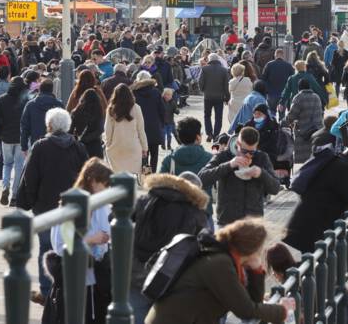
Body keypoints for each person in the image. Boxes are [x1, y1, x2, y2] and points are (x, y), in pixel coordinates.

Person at [146, 218, 292, 324]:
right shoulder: (220, 263)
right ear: (251, 248)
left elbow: (253, 301)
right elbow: (245, 310)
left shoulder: (226, 259)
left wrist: (256, 270)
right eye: (260, 248)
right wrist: (282, 311)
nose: (261, 253)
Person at [17, 108, 89, 304]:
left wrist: (31, 201)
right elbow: (86, 175)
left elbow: (30, 178)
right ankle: (69, 287)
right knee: (70, 245)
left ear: (48, 125)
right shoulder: (78, 147)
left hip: (45, 207)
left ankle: (48, 290)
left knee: (47, 248)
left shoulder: (40, 147)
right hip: (71, 206)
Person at [129, 172, 210, 323]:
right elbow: (205, 247)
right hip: (170, 281)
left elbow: (116, 218)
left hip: (136, 274)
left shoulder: (146, 199)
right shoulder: (197, 214)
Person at [46, 159, 113, 324]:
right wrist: (92, 239)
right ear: (92, 180)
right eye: (104, 184)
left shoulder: (102, 204)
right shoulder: (72, 205)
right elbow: (61, 245)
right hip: (78, 274)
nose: (107, 188)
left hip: (98, 276)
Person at [198, 126, 281, 227]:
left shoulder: (262, 158)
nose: (248, 156)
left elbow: (276, 188)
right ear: (237, 144)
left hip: (253, 224)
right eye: (245, 151)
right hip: (227, 223)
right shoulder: (224, 156)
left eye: (252, 152)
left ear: (257, 146)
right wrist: (229, 165)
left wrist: (261, 173)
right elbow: (201, 178)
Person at [0, 76, 30, 206]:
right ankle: (15, 195)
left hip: (6, 137)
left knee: (7, 164)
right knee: (19, 165)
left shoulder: (2, 99)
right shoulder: (25, 100)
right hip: (20, 138)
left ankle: (5, 187)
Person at [104, 84, 148, 176]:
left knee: (118, 175)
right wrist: (144, 147)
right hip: (133, 146)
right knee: (133, 174)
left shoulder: (111, 109)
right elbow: (141, 130)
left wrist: (108, 144)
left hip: (116, 147)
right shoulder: (136, 108)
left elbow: (108, 130)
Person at [284, 79, 325, 164]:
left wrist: (285, 122)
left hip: (303, 133)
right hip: (317, 131)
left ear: (299, 88)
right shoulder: (316, 97)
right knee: (314, 158)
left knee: (304, 162)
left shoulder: (298, 97)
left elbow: (291, 116)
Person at [132, 71, 165, 171]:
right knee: (154, 154)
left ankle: (144, 174)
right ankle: (152, 174)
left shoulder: (133, 93)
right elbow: (162, 110)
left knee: (143, 153)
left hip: (139, 127)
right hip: (154, 126)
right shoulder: (156, 92)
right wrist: (162, 124)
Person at [21, 79, 64, 154]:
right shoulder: (59, 104)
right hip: (55, 143)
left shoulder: (30, 105)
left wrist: (24, 146)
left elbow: (24, 126)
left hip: (36, 143)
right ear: (52, 89)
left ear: (40, 89)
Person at [199, 53, 230, 142]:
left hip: (207, 96)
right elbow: (226, 85)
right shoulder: (224, 70)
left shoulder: (204, 69)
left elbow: (200, 82)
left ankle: (209, 133)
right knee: (218, 117)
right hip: (219, 97)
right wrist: (227, 97)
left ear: (209, 60)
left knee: (207, 115)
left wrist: (203, 90)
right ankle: (216, 135)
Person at [70, 88, 106, 159]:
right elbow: (100, 129)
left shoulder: (76, 112)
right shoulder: (98, 111)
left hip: (80, 146)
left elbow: (70, 130)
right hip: (95, 147)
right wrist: (87, 138)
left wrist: (77, 139)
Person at [261, 49, 295, 115]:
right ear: (283, 56)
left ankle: (272, 124)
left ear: (275, 55)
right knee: (282, 113)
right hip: (284, 94)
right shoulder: (288, 66)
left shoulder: (269, 65)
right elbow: (292, 79)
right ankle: (281, 124)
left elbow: (263, 78)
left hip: (271, 93)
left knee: (271, 112)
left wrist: (266, 90)